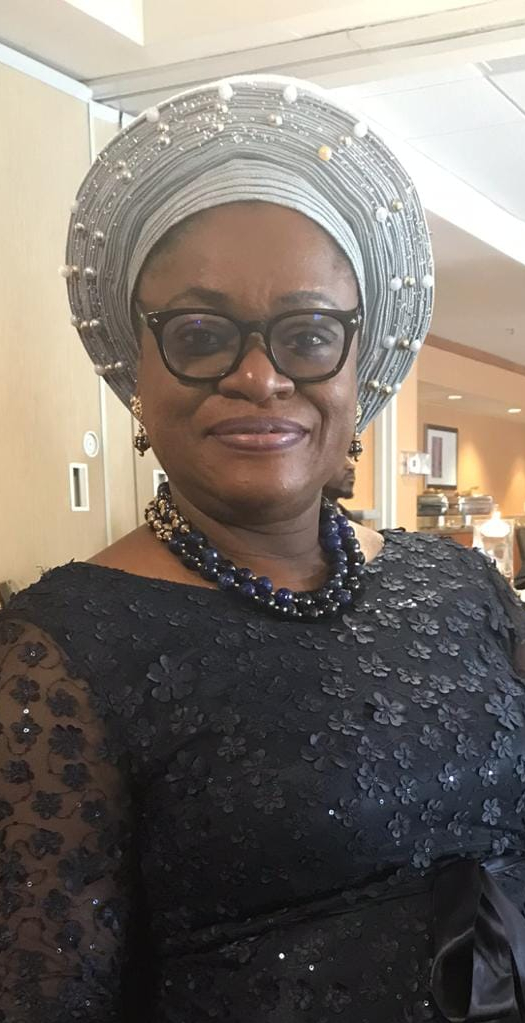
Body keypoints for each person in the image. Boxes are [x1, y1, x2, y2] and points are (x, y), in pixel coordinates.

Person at [1, 74, 525, 1023]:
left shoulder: (457, 582)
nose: (258, 376)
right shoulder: (58, 653)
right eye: (201, 333)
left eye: (308, 334)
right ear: (137, 366)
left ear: (357, 367)